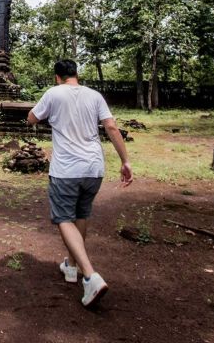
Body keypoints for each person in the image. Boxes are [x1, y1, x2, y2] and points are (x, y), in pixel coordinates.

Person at [27, 59, 133, 307]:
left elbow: (31, 118)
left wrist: (43, 115)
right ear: (77, 74)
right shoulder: (94, 95)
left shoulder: (53, 94)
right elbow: (111, 127)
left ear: (57, 77)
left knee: (63, 218)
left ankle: (90, 275)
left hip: (66, 169)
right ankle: (71, 266)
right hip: (94, 168)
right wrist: (125, 161)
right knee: (81, 214)